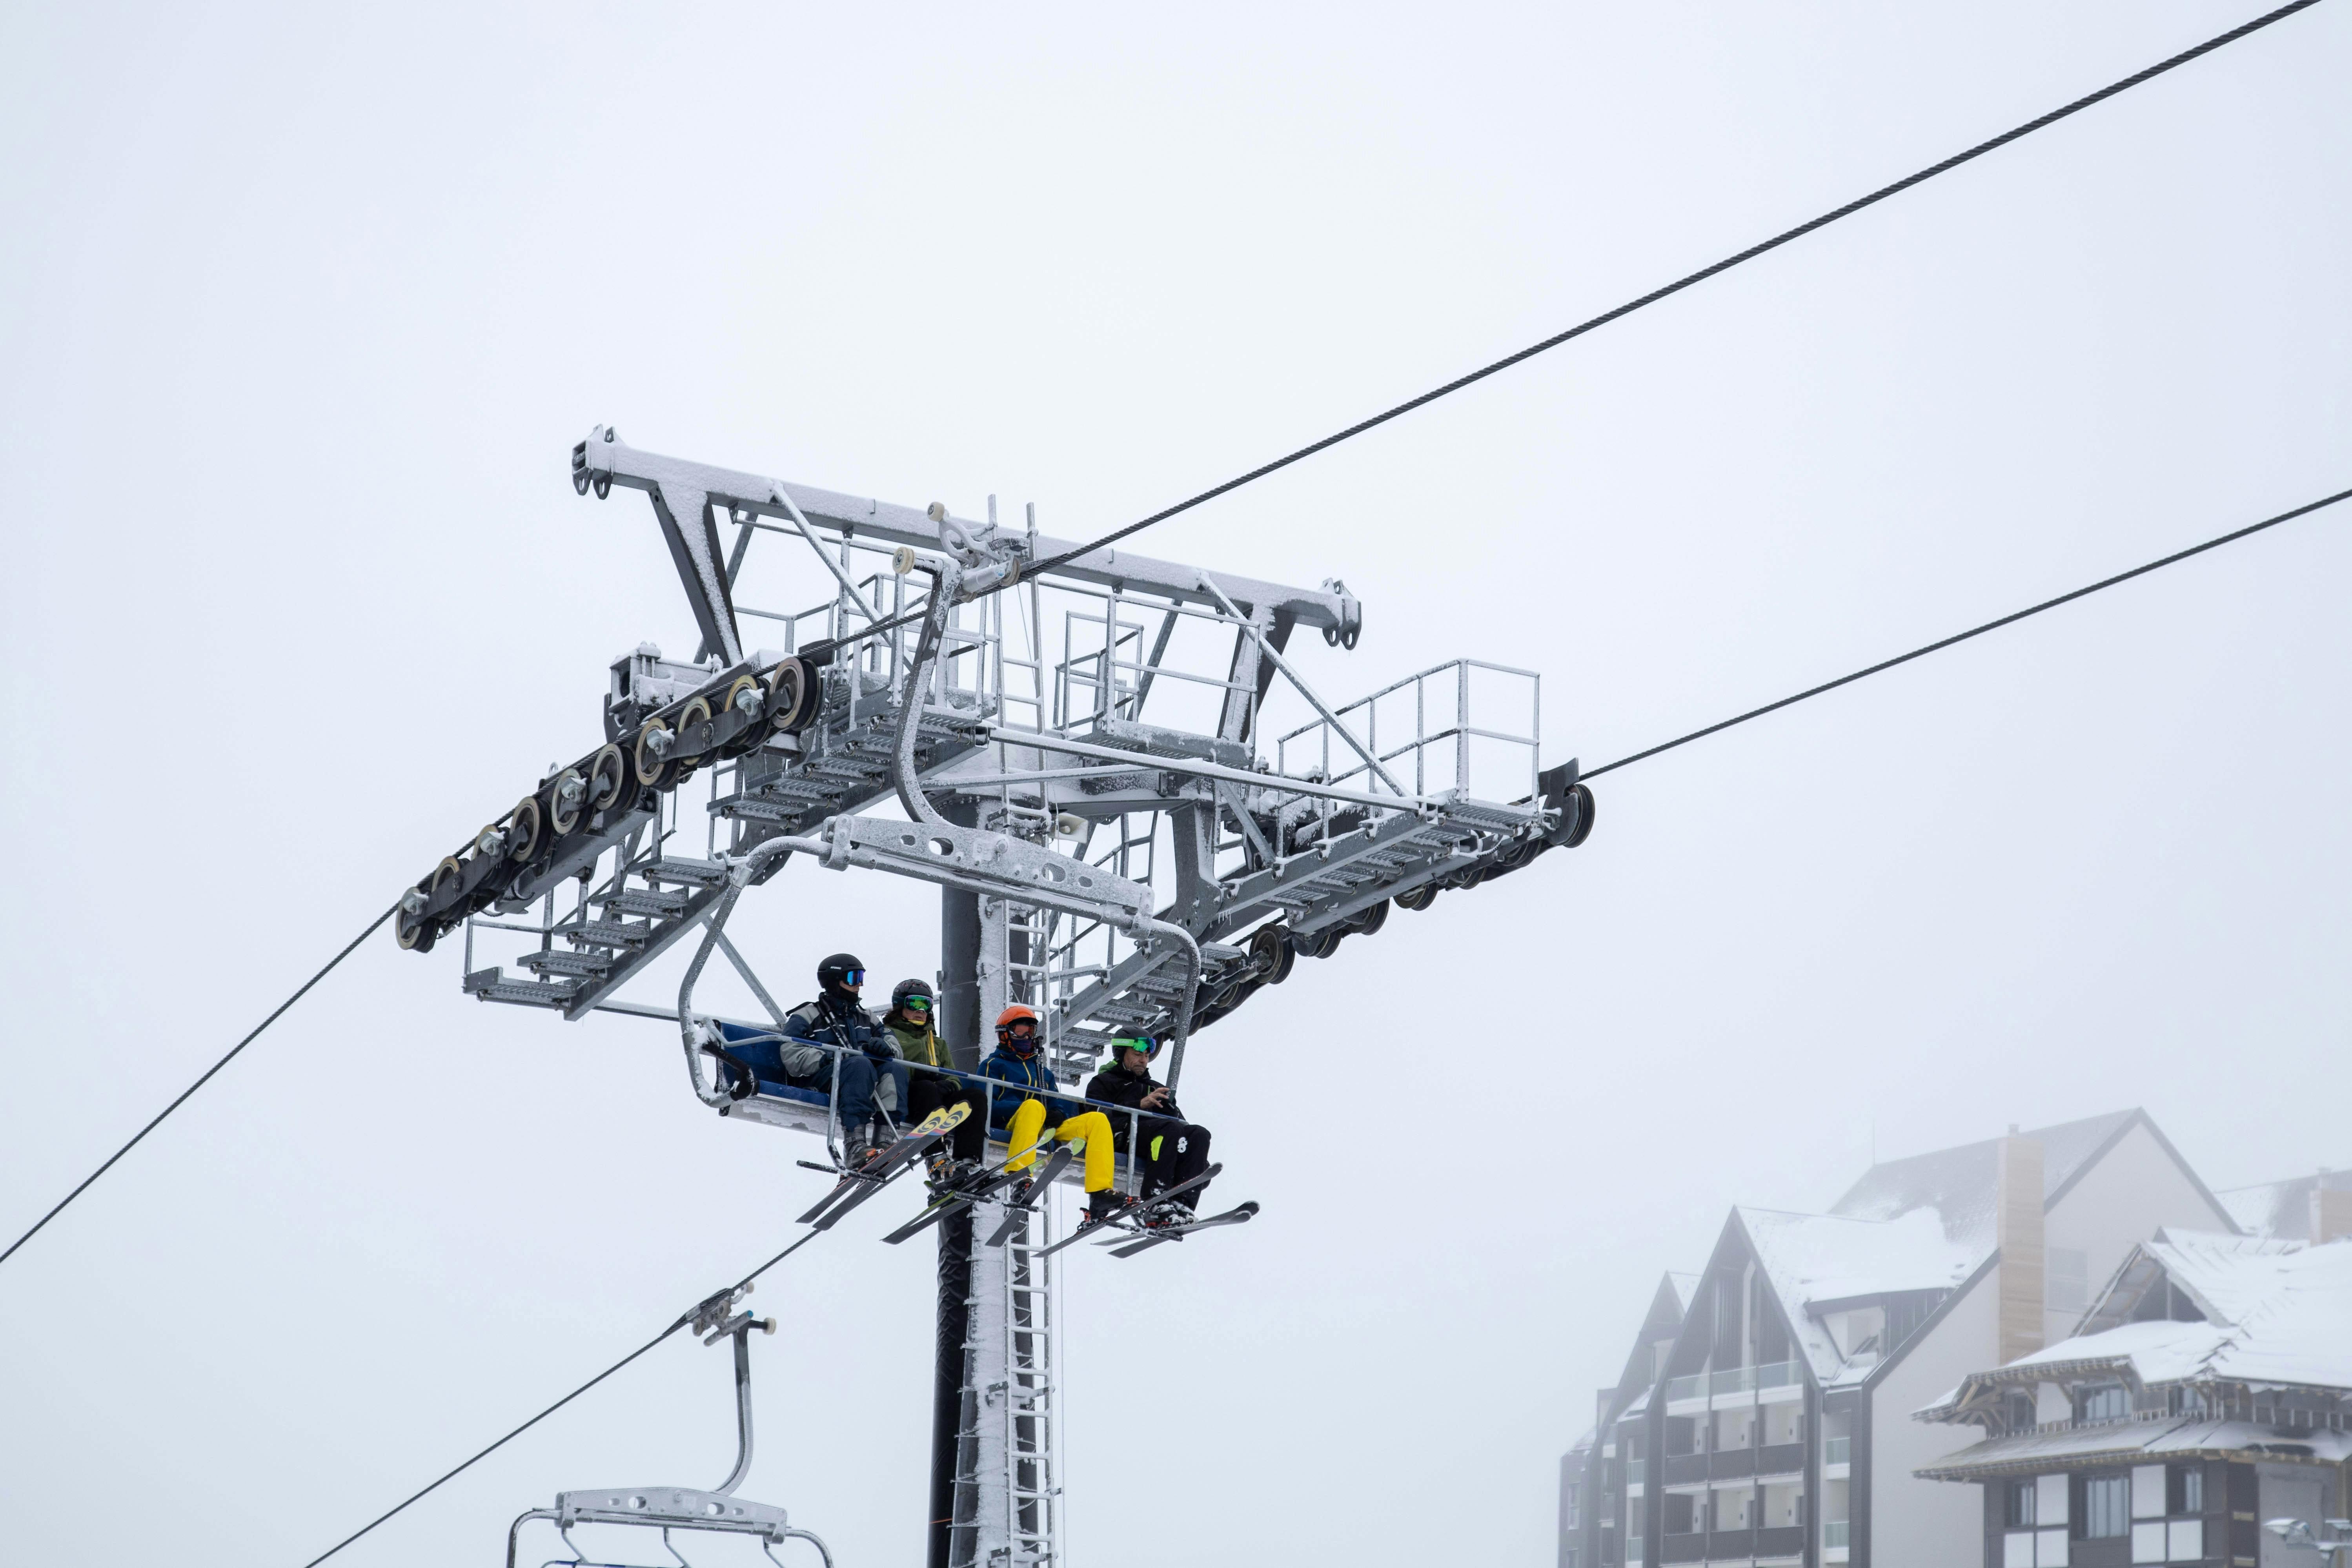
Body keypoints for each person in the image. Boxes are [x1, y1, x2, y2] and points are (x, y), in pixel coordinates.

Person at [979, 1005, 1121, 1221]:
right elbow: (986, 1104)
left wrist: (1058, 1112)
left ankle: (1100, 1192)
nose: (1027, 1035)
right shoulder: (993, 1065)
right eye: (1021, 1030)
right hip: (1012, 1124)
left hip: (1044, 1127)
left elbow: (1056, 1102)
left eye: (1031, 1031)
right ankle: (1019, 1177)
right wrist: (1025, 1108)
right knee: (1033, 1106)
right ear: (1005, 1034)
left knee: (1097, 1120)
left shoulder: (1043, 1071)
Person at [781, 952, 906, 1167]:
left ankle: (885, 1140)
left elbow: (896, 1049)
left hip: (859, 1078)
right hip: (821, 1079)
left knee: (893, 1070)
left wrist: (886, 1048)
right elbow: (792, 1055)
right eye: (853, 979)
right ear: (834, 982)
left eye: (861, 978)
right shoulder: (807, 1016)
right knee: (859, 1064)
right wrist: (828, 1058)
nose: (859, 985)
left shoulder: (866, 1017)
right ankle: (855, 1145)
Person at [1083, 1035, 1214, 1218]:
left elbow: (1182, 1125)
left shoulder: (1155, 1087)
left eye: (1146, 1056)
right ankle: (1155, 1201)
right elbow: (1096, 1116)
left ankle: (1183, 1204)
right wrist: (1139, 1105)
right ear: (1121, 1054)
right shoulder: (1104, 1082)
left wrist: (1171, 1111)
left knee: (1199, 1133)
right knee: (1170, 1129)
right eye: (1137, 1054)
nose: (1143, 1060)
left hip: (1162, 1138)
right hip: (1123, 1136)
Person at [884, 978, 986, 1172]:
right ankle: (935, 1158)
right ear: (900, 1005)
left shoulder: (938, 1043)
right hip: (907, 1095)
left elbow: (953, 1077)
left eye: (926, 1005)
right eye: (915, 1003)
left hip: (935, 1098)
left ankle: (968, 1162)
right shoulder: (889, 1034)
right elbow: (887, 1068)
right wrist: (920, 1074)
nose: (921, 1011)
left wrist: (949, 1085)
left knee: (975, 1097)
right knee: (926, 1087)